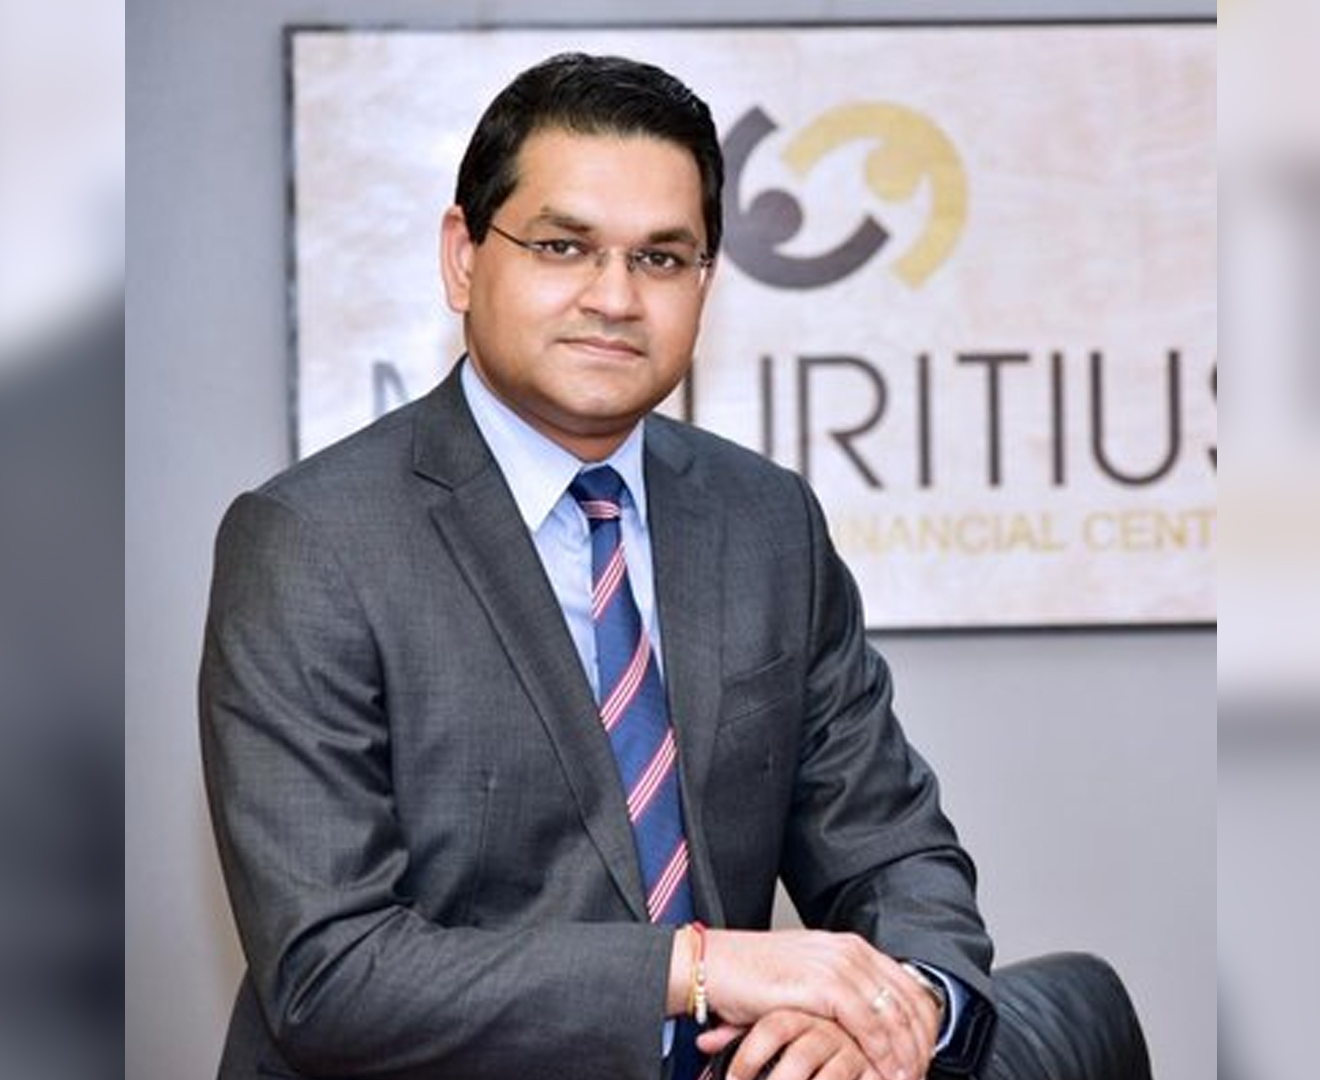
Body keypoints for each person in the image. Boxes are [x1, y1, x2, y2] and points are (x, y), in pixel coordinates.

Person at [201, 52, 1148, 1080]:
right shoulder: (310, 543)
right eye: (564, 246)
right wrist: (698, 969)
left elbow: (889, 847)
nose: (614, 296)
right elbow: (331, 972)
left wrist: (898, 1005)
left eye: (661, 257)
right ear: (464, 258)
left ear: (705, 281)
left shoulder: (766, 521)